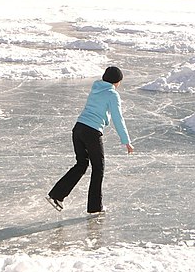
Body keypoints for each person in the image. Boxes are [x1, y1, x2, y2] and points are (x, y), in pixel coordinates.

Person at [48, 66, 134, 214]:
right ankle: (95, 207)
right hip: (91, 132)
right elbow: (118, 118)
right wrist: (126, 141)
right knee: (98, 168)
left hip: (78, 129)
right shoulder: (112, 94)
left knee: (81, 164)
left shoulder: (96, 88)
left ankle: (56, 195)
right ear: (117, 81)